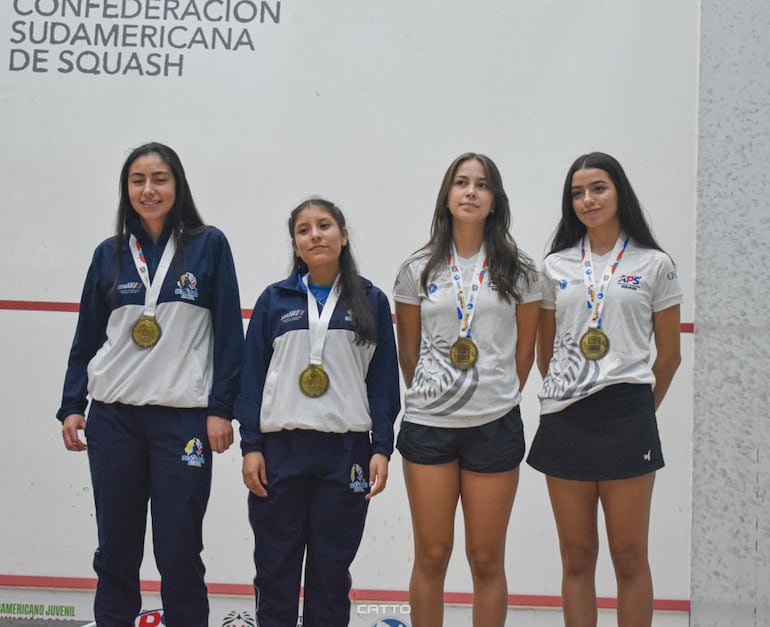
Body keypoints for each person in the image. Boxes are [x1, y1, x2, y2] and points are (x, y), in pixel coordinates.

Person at [57, 142, 243, 627]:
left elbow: (229, 334)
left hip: (182, 421)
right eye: (137, 180)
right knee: (116, 550)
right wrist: (72, 403)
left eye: (159, 178)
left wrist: (221, 408)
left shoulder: (210, 245)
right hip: (113, 419)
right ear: (127, 190)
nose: (148, 189)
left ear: (177, 185)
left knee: (179, 550)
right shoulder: (110, 254)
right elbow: (88, 335)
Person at [527, 152, 682, 627]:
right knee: (576, 558)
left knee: (630, 556)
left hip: (628, 415)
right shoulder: (554, 266)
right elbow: (544, 354)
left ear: (619, 193)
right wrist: (565, 394)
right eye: (577, 193)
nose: (587, 200)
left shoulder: (655, 264)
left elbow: (670, 355)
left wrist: (639, 412)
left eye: (598, 188)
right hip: (566, 418)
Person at [393, 153, 542, 627]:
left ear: (495, 200)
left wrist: (492, 397)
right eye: (461, 183)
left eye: (481, 185)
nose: (471, 192)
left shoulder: (521, 270)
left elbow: (523, 357)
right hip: (429, 427)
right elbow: (408, 356)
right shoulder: (416, 268)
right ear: (447, 195)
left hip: (495, 425)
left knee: (485, 559)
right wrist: (439, 394)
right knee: (433, 555)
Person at [237, 198, 401, 627]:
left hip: (345, 453)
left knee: (330, 574)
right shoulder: (274, 301)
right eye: (304, 229)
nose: (316, 235)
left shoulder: (371, 300)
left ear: (343, 236)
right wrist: (251, 446)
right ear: (295, 244)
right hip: (280, 453)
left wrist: (382, 447)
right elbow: (251, 379)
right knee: (276, 571)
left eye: (325, 226)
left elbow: (382, 385)